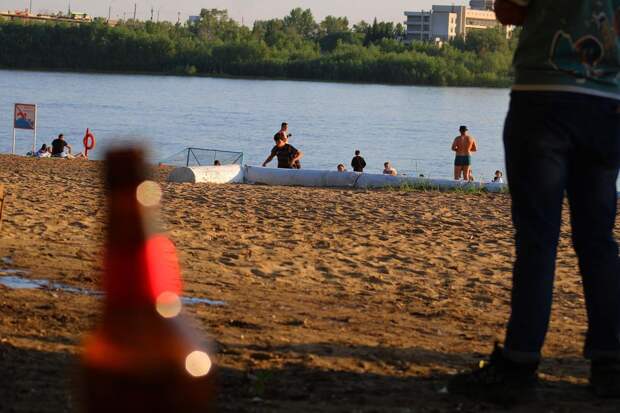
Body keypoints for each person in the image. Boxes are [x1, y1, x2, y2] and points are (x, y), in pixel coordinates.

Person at [449, 0, 620, 404]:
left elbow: (509, 11)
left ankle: (520, 365)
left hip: (543, 98)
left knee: (538, 241)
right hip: (606, 102)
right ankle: (611, 365)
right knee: (598, 241)